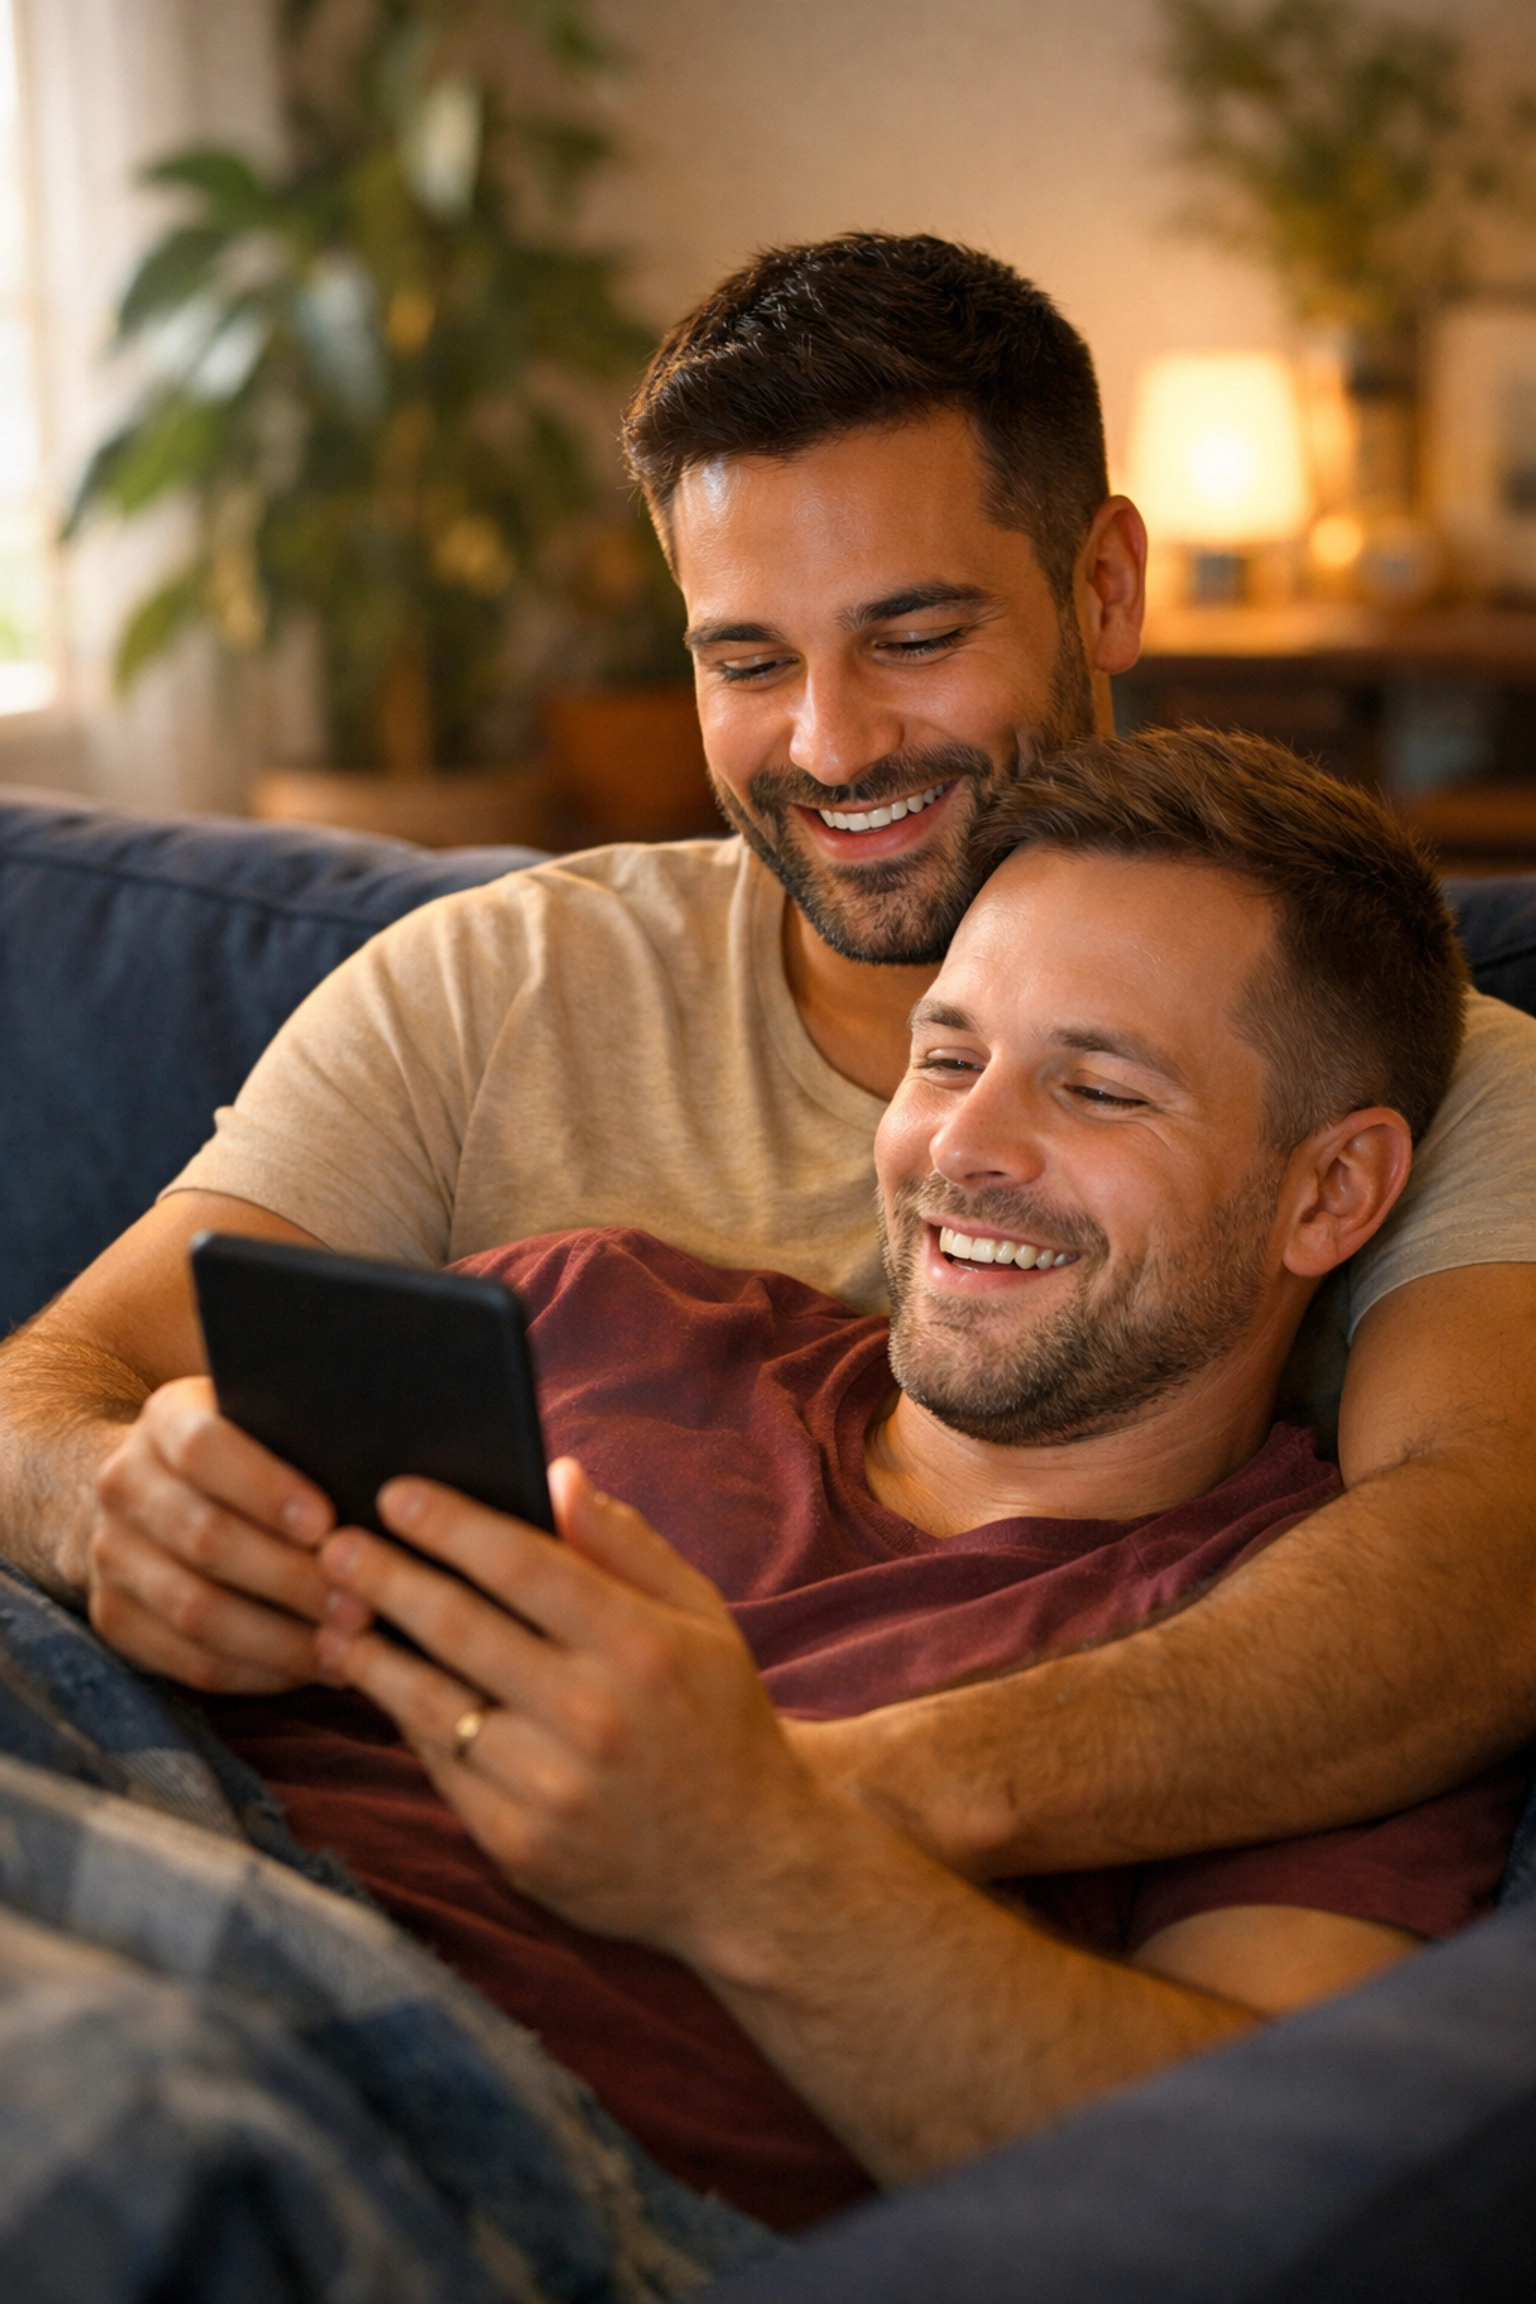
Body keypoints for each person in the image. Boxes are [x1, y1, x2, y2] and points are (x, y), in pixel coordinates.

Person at [1, 232, 1534, 1890]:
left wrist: (781, 1815)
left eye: (914, 636)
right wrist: (102, 1499)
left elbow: (1486, 1582)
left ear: (1103, 586)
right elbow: (48, 1381)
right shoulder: (497, 982)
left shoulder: (1420, 1074)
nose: (832, 744)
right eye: (747, 660)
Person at [201, 731, 1525, 2233]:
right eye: (947, 1057)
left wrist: (750, 1862)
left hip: (383, 2166)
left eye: (1095, 1090)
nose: (962, 1144)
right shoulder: (587, 1312)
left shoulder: (1313, 1659)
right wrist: (153, 1500)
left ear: (1331, 1192)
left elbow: (1259, 2202)